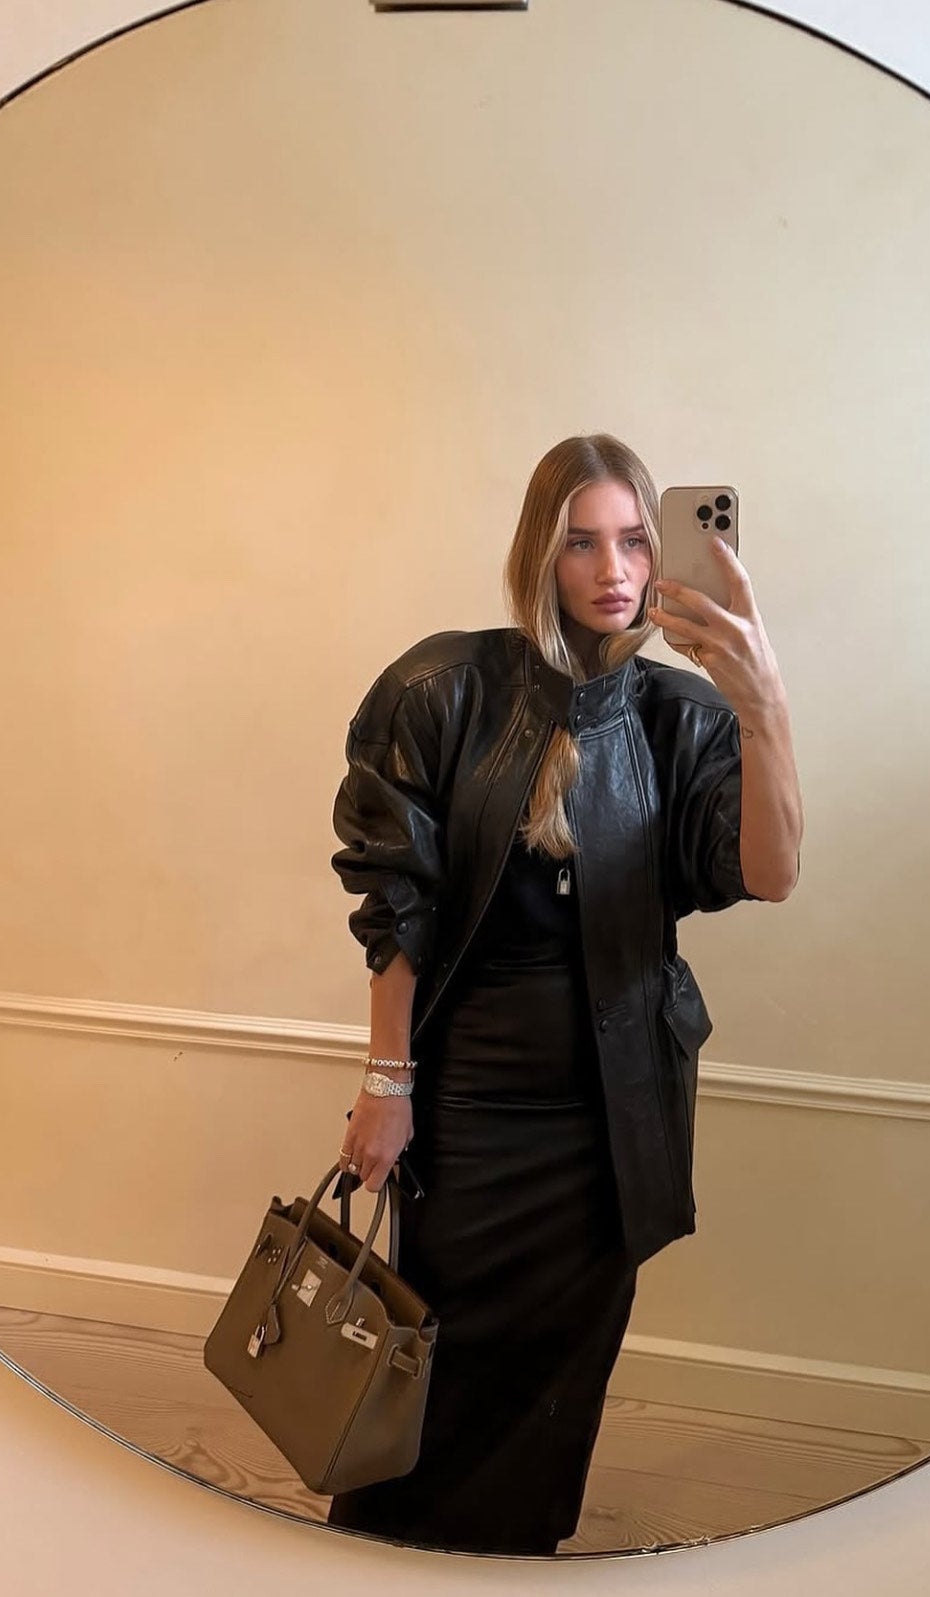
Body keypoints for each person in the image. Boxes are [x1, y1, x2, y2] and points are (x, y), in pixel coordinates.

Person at [327, 434, 802, 1555]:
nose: (614, 570)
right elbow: (398, 905)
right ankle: (377, 1559)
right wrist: (386, 1082)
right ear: (539, 554)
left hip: (612, 1115)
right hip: (471, 1104)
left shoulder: (683, 716)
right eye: (582, 543)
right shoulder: (443, 688)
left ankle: (515, 1561)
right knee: (434, 1353)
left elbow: (771, 872)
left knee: (559, 1378)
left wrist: (764, 704)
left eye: (635, 540)